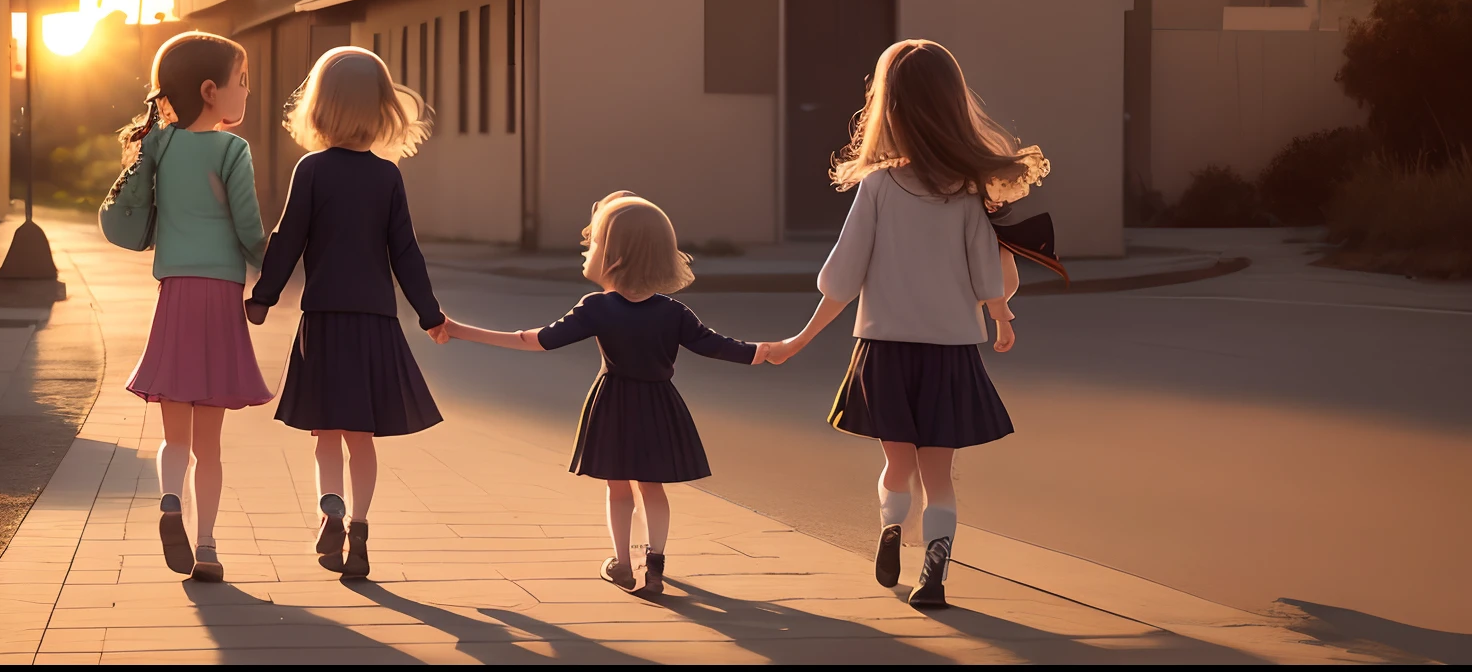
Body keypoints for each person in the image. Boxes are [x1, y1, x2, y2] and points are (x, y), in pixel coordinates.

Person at [772, 39, 1049, 609]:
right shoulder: (972, 194)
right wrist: (1001, 316)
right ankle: (935, 573)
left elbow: (841, 278)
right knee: (939, 474)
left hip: (884, 350)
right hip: (950, 353)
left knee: (896, 464)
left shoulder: (877, 187)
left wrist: (799, 339)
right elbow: (986, 280)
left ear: (888, 106)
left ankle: (891, 530)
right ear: (953, 105)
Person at [441, 192, 791, 596]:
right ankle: (655, 565)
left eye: (595, 243)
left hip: (613, 406)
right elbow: (717, 345)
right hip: (661, 406)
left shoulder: (597, 308)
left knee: (618, 486)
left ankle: (622, 563)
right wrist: (764, 352)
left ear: (614, 256)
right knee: (653, 487)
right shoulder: (673, 311)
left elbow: (536, 340)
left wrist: (460, 329)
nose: (587, 249)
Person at [246, 47, 447, 581]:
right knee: (362, 435)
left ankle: (329, 508)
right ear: (382, 109)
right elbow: (406, 252)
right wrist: (430, 314)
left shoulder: (311, 170)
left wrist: (263, 297)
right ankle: (359, 527)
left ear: (320, 107)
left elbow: (289, 239)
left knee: (326, 432)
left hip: (325, 321)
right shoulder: (387, 178)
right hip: (376, 322)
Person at [113, 31, 272, 583]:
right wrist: (273, 268)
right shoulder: (233, 151)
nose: (248, 92)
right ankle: (206, 548)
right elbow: (249, 227)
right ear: (211, 91)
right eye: (242, 81)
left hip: (175, 296)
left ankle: (168, 504)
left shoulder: (160, 146)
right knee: (211, 445)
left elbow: (136, 202)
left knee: (174, 436)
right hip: (221, 299)